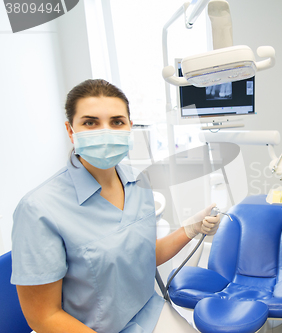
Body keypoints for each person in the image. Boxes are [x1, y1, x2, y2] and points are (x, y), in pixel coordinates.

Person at [11, 79, 220, 333]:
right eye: (90, 123)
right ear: (70, 130)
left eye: (116, 122)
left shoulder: (138, 182)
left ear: (129, 127)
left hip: (148, 311)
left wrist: (190, 228)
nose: (105, 132)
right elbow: (43, 316)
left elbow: (143, 257)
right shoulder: (40, 209)